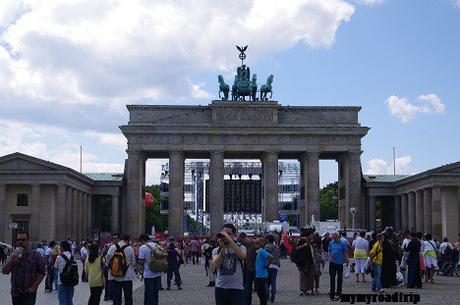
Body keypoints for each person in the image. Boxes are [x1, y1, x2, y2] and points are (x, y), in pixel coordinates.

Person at [2, 231, 46, 305]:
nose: (20, 242)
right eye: (18, 240)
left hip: (29, 292)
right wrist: (12, 259)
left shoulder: (35, 255)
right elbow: (4, 271)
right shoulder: (13, 254)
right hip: (16, 292)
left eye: (23, 240)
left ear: (28, 241)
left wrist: (34, 287)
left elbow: (42, 272)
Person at [212, 223, 247, 305]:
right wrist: (223, 249)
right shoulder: (216, 250)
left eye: (228, 234)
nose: (225, 236)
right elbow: (215, 265)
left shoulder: (241, 247)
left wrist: (230, 240)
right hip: (220, 288)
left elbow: (242, 256)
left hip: (237, 288)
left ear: (234, 235)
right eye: (224, 234)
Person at [106, 234, 136, 305]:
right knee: (128, 297)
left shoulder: (112, 247)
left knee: (116, 297)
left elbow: (107, 260)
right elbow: (133, 263)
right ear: (128, 240)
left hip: (115, 276)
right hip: (127, 277)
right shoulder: (130, 248)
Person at [138, 233, 162, 305]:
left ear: (142, 240)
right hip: (157, 272)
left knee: (149, 292)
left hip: (148, 273)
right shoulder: (156, 245)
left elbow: (141, 261)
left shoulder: (143, 247)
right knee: (155, 291)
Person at [328, 231, 349, 298]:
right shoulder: (331, 243)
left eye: (333, 237)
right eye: (332, 237)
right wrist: (330, 258)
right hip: (332, 263)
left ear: (337, 236)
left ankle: (339, 291)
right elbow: (329, 251)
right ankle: (332, 290)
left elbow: (345, 253)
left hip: (340, 263)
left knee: (339, 278)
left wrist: (347, 261)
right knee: (332, 277)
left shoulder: (342, 243)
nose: (332, 238)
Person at [55, 240, 76, 305]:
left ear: (62, 247)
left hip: (61, 282)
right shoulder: (72, 257)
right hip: (71, 282)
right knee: (69, 301)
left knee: (62, 301)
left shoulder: (59, 257)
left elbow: (55, 268)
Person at [237, 232, 256, 305]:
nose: (240, 242)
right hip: (244, 269)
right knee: (245, 289)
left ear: (245, 237)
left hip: (252, 269)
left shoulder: (254, 244)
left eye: (241, 240)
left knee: (249, 289)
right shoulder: (241, 245)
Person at [254, 237, 273, 305]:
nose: (255, 244)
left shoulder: (262, 250)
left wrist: (267, 265)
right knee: (260, 292)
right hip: (259, 274)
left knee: (261, 293)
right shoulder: (259, 251)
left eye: (256, 243)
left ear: (259, 244)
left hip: (261, 275)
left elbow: (271, 257)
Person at [264, 234, 280, 303]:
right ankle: (273, 296)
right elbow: (278, 256)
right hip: (275, 266)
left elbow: (265, 256)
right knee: (273, 282)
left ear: (267, 239)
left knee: (266, 282)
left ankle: (267, 296)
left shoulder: (266, 247)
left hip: (268, 266)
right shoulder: (276, 247)